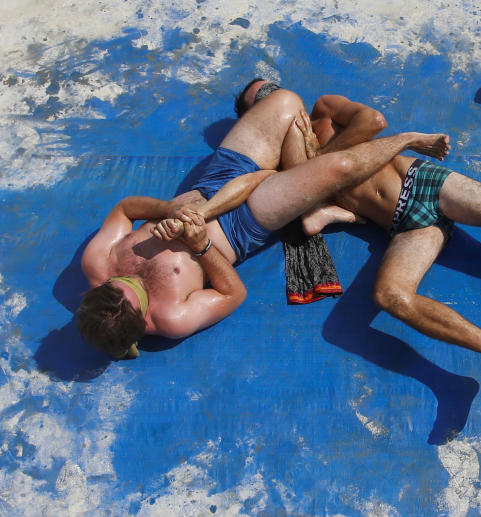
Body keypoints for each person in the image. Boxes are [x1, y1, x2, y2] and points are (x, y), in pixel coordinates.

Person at [224, 84, 481, 410]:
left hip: (421, 181)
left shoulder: (323, 110)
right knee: (391, 297)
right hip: (405, 226)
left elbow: (373, 122)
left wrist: (318, 159)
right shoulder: (280, 162)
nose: (273, 96)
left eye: (272, 88)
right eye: (261, 99)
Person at [78, 83, 450, 360]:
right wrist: (201, 246)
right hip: (243, 222)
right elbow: (232, 294)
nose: (130, 278)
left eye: (118, 282)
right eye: (134, 290)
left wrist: (167, 211)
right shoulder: (172, 318)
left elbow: (125, 208)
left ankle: (305, 180)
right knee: (342, 167)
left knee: (286, 101)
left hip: (211, 184)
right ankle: (404, 140)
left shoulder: (97, 263)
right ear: (142, 320)